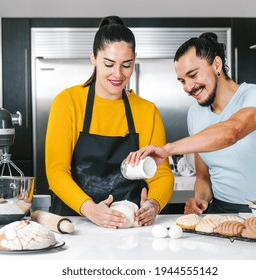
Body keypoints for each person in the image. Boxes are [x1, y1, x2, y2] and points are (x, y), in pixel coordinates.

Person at [126, 32, 256, 214]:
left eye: (193, 75)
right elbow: (204, 175)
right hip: (220, 212)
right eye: (182, 81)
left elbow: (232, 132)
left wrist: (168, 149)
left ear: (217, 65)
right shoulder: (195, 114)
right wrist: (200, 200)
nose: (188, 87)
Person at [45, 16, 174, 228]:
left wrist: (154, 204)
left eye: (126, 65)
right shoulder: (67, 102)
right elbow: (56, 171)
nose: (118, 74)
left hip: (129, 226)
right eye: (109, 64)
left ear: (134, 61)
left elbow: (161, 174)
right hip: (76, 223)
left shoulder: (147, 111)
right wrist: (90, 209)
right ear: (93, 58)